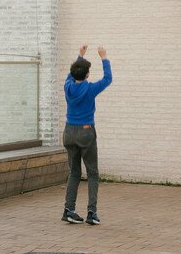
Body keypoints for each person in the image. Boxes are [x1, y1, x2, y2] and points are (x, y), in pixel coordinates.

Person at [61, 44, 112, 226]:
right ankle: (92, 213)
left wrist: (80, 55)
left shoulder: (67, 86)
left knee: (74, 172)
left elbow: (71, 73)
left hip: (68, 132)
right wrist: (104, 57)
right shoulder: (90, 89)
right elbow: (108, 78)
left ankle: (69, 210)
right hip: (85, 132)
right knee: (92, 173)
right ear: (87, 75)